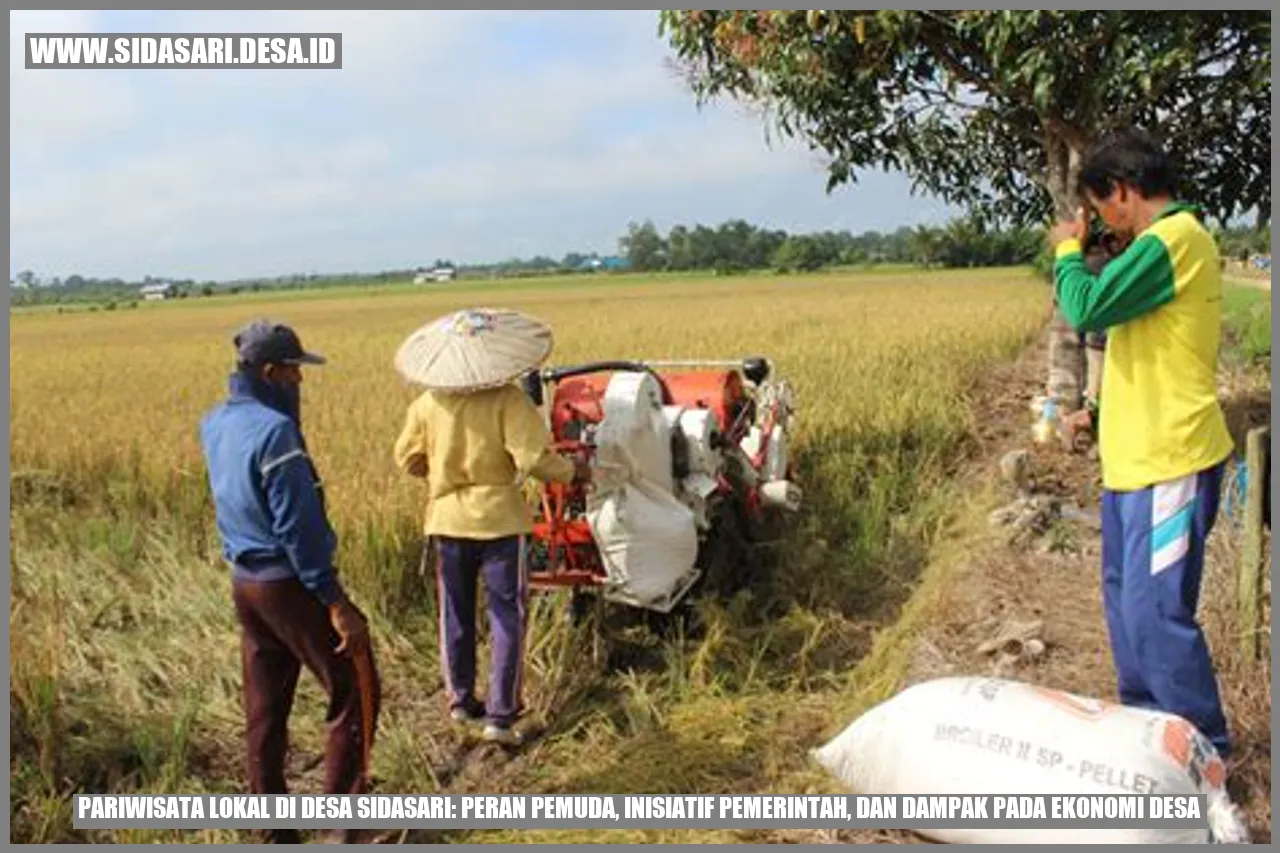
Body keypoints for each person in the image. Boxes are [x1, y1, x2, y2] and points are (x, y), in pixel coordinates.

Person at [1049, 128, 1236, 759]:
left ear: (1121, 192)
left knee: (1157, 617)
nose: (1100, 221)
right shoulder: (1150, 250)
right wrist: (1096, 409)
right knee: (1129, 617)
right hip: (1131, 463)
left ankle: (1207, 756)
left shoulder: (1175, 238)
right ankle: (1149, 744)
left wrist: (1067, 254)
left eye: (1100, 206)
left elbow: (1088, 308)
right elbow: (1139, 344)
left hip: (1171, 460)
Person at [199, 320, 381, 843]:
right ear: (272, 372)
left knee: (265, 703)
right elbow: (298, 526)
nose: (300, 382)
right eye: (295, 372)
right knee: (355, 685)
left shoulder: (215, 422)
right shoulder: (275, 433)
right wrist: (335, 600)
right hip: (287, 581)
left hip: (245, 583)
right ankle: (346, 829)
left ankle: (271, 827)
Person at [393, 363, 589, 747]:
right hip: (499, 522)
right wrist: (573, 471)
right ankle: (501, 715)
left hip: (447, 521)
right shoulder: (509, 400)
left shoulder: (427, 403)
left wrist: (440, 474)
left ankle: (461, 703)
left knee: (455, 612)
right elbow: (533, 460)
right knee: (505, 615)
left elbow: (406, 458)